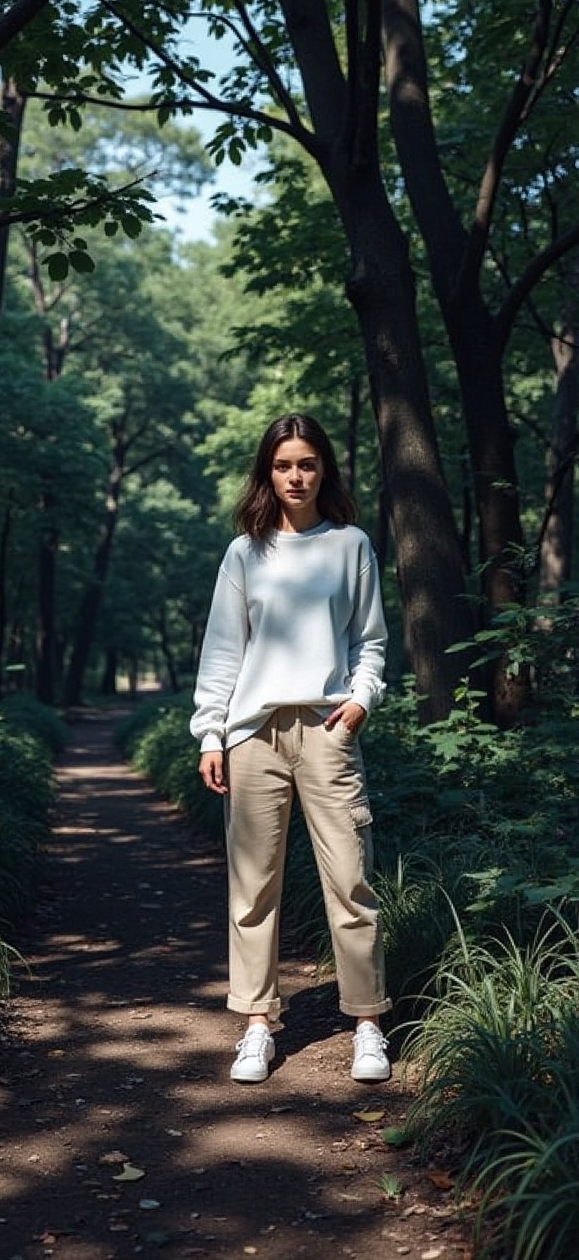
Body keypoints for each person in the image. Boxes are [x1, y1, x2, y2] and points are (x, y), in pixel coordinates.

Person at [190, 412, 391, 1085]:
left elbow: (371, 639)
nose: (296, 476)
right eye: (283, 465)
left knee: (349, 879)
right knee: (253, 888)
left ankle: (367, 1022)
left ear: (324, 467)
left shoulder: (351, 545)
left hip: (329, 729)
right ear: (267, 474)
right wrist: (211, 732)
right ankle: (256, 1026)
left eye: (306, 463)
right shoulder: (246, 552)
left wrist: (361, 702)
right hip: (253, 735)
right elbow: (223, 650)